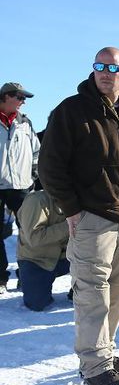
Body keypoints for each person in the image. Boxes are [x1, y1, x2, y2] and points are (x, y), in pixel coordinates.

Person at [39, 47, 119, 385]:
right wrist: (72, 209)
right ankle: (95, 367)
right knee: (91, 293)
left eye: (113, 67)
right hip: (91, 218)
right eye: (100, 66)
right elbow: (50, 167)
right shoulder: (71, 111)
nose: (106, 72)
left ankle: (105, 355)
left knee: (117, 290)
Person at [0, 82, 40, 294]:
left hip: (21, 186)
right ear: (6, 97)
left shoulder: (26, 123)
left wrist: (33, 174)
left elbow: (36, 152)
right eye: (20, 97)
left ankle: (27, 276)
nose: (23, 102)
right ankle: (0, 279)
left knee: (28, 233)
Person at [16, 189, 70, 311]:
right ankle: (25, 275)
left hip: (68, 256)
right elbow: (35, 238)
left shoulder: (81, 198)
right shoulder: (36, 201)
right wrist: (71, 225)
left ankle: (79, 291)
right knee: (37, 304)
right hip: (37, 259)